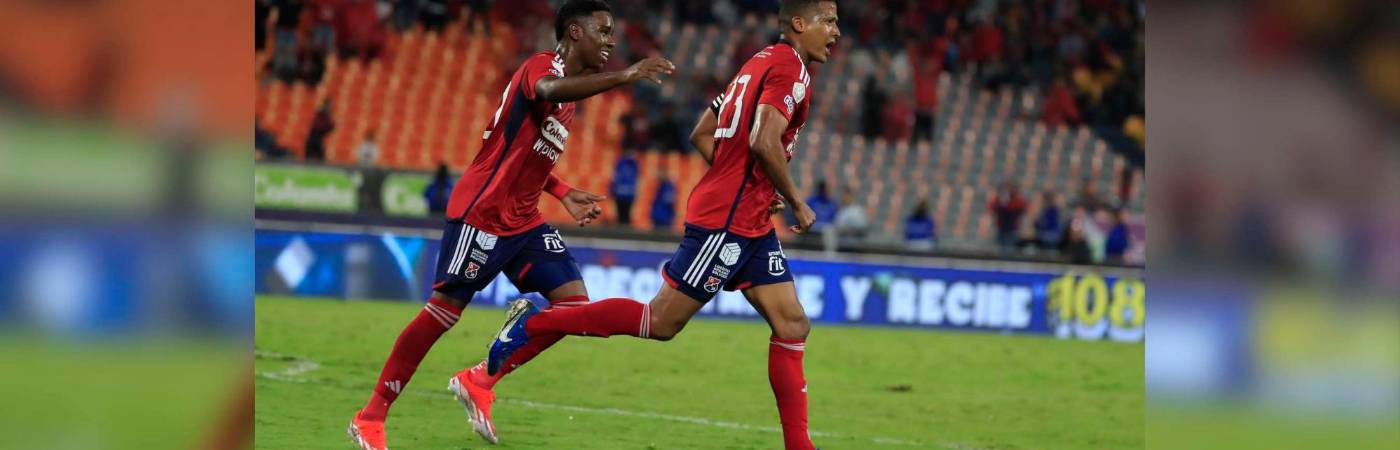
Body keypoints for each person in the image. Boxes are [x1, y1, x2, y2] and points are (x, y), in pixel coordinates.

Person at [484, 2, 839, 449]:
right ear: (800, 24)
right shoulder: (790, 70)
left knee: (792, 323)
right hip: (728, 220)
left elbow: (702, 132)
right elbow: (763, 139)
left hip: (748, 217)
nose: (835, 32)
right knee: (660, 322)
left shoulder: (759, 62)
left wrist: (751, 185)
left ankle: (799, 445)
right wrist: (795, 202)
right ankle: (534, 323)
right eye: (829, 22)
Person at [345, 1, 675, 448]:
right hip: (483, 211)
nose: (611, 40)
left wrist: (561, 190)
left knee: (573, 305)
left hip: (523, 220)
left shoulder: (567, 99)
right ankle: (370, 416)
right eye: (603, 31)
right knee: (443, 312)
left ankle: (480, 379)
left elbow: (523, 150)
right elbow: (548, 90)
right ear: (575, 32)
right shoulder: (542, 67)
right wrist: (626, 75)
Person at [987, 181, 1027, 250]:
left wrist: (1006, 203)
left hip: (1012, 229)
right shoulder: (999, 198)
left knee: (1009, 249)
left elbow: (1019, 207)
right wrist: (1002, 201)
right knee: (1000, 248)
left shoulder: (1017, 199)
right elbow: (992, 206)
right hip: (1001, 228)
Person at [609, 148, 639, 226]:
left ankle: (625, 228)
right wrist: (612, 190)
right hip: (620, 194)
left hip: (629, 194)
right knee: (621, 215)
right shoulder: (620, 163)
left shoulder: (635, 165)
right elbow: (615, 177)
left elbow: (636, 179)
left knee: (627, 215)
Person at [649, 165, 677, 230]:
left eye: (661, 173)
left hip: (665, 218)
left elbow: (670, 201)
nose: (659, 175)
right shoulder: (658, 185)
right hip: (656, 217)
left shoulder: (669, 186)